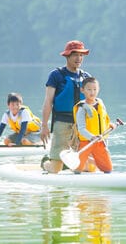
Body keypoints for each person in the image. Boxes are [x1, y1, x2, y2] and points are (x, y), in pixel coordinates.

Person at [40, 40, 92, 173]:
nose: (79, 58)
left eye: (81, 55)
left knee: (89, 167)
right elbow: (48, 102)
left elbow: (92, 103)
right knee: (54, 170)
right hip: (62, 124)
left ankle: (68, 164)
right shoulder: (56, 75)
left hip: (81, 126)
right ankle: (46, 163)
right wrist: (44, 125)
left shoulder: (86, 77)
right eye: (75, 55)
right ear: (67, 56)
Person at [73, 77, 116, 173]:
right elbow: (81, 129)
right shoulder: (82, 108)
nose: (92, 92)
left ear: (98, 89)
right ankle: (80, 167)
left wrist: (110, 125)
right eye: (89, 89)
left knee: (108, 169)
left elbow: (104, 120)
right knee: (77, 169)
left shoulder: (100, 103)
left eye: (95, 89)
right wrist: (92, 137)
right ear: (82, 90)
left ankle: (89, 162)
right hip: (85, 143)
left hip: (99, 142)